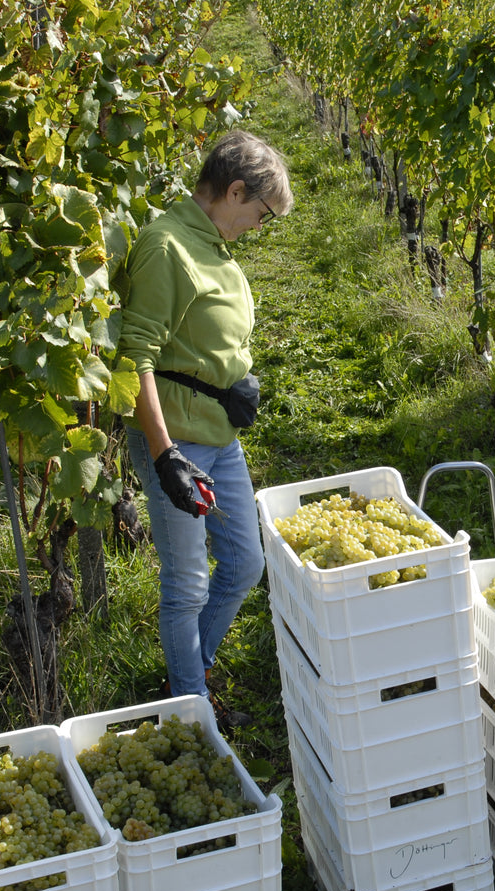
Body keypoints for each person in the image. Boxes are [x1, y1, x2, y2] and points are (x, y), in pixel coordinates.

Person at [115, 130, 293, 729]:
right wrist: (165, 457)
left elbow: (202, 339)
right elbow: (135, 356)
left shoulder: (211, 244)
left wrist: (234, 380)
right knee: (187, 584)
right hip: (181, 441)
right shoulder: (168, 247)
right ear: (235, 190)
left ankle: (191, 668)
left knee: (245, 563)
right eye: (261, 216)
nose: (259, 228)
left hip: (219, 437)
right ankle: (190, 706)